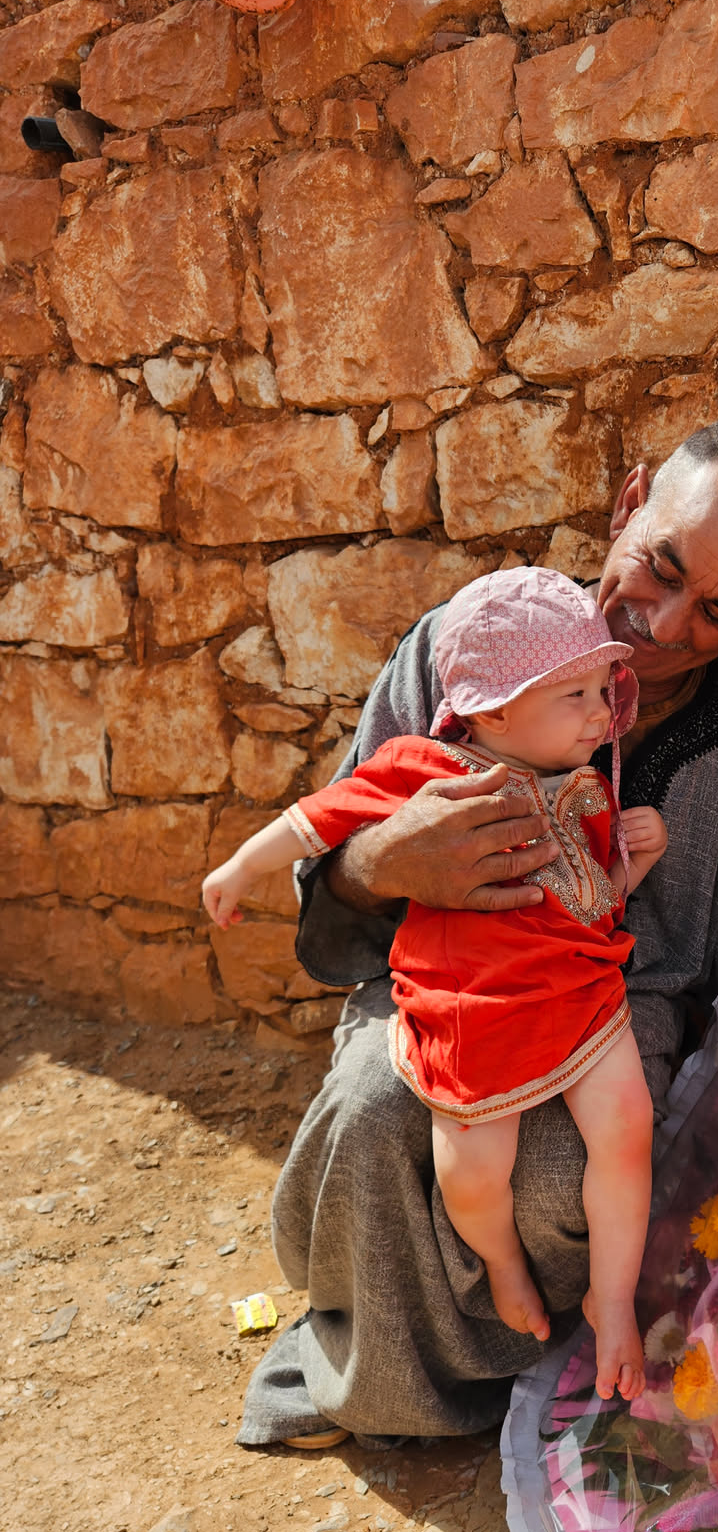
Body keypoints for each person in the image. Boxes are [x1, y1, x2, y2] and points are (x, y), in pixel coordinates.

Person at [237, 421, 718, 1451]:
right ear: (628, 503)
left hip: (618, 1014)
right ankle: (378, 1381)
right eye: (661, 566)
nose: (664, 623)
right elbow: (333, 850)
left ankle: (539, 1354)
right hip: (437, 980)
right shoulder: (467, 645)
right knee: (376, 1108)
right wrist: (387, 863)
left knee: (562, 1176)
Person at [204, 570, 668, 1402]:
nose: (601, 714)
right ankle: (500, 1262)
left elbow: (592, 900)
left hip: (582, 994)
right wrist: (241, 867)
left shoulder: (589, 786)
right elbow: (321, 817)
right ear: (494, 710)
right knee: (474, 1174)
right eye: (575, 695)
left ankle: (613, 1295)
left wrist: (641, 858)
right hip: (473, 1012)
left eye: (604, 691)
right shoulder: (423, 768)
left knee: (628, 1131)